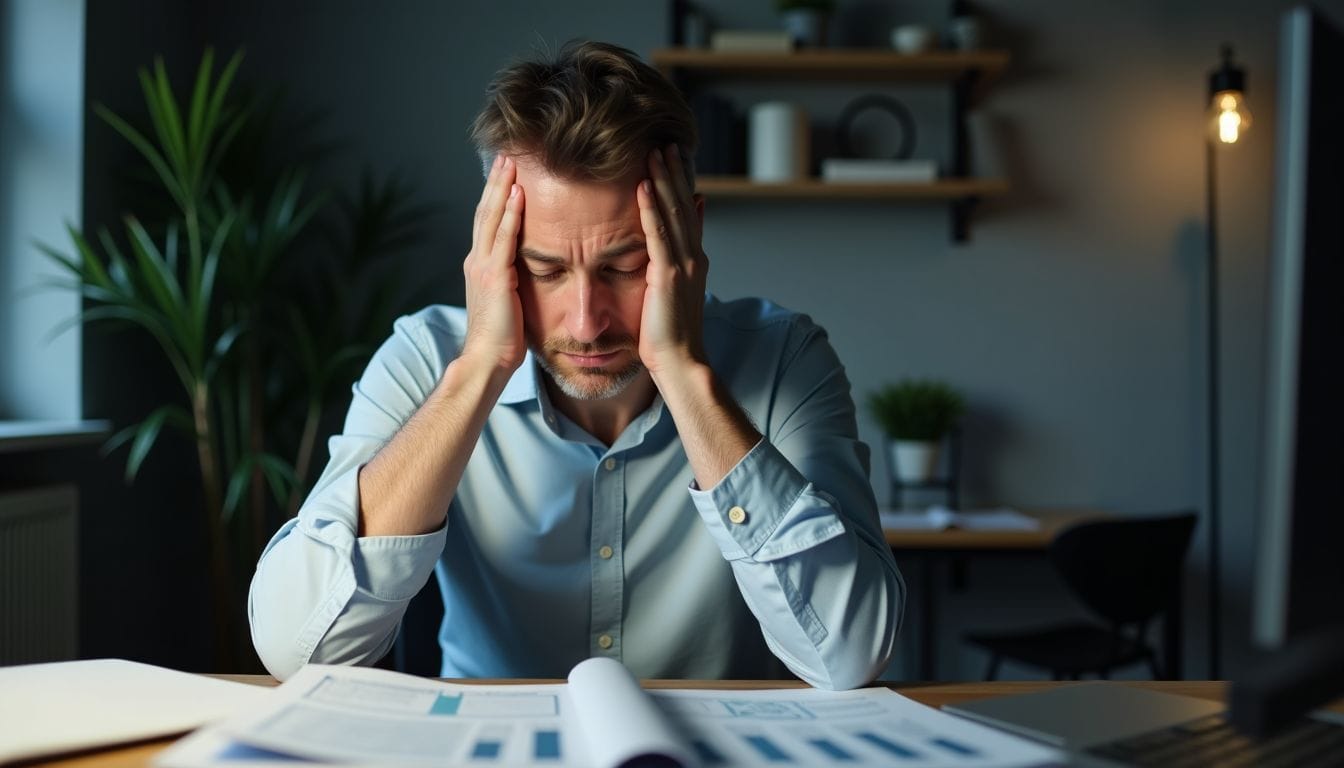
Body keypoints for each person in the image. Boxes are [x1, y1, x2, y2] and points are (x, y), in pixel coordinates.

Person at [249, 41, 904, 689]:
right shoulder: (426, 361)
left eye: (625, 268)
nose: (586, 321)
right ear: (495, 253)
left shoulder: (785, 358)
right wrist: (479, 368)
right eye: (545, 270)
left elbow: (848, 653)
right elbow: (297, 648)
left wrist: (681, 369)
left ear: (687, 237)